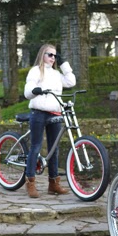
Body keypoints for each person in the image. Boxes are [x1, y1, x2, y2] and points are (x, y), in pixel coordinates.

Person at [23, 44, 76, 198]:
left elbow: (71, 82)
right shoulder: (35, 71)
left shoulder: (57, 74)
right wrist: (35, 91)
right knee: (36, 146)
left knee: (54, 148)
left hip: (54, 112)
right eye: (50, 54)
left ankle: (53, 183)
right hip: (39, 112)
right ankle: (30, 182)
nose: (53, 58)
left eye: (55, 55)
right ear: (42, 55)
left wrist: (64, 63)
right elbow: (27, 91)